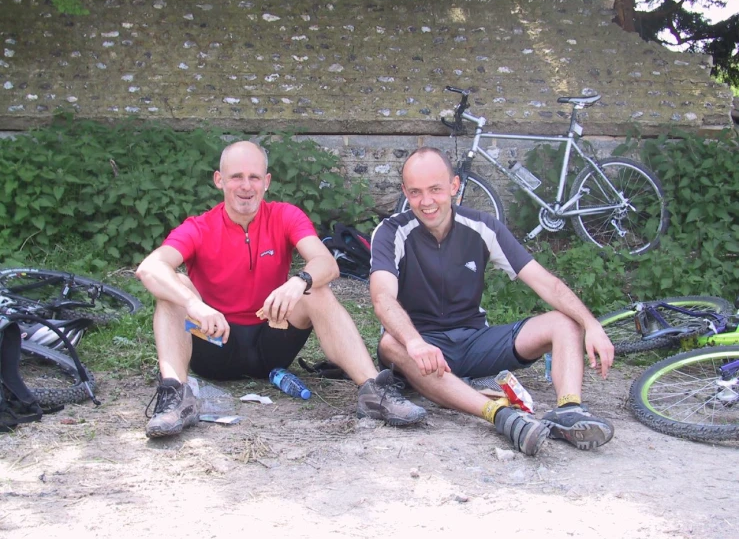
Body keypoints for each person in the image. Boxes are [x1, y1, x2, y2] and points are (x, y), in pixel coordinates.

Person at [136, 140, 426, 438]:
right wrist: (194, 304)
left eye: (254, 177)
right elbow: (150, 268)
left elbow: (327, 263)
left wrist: (298, 281)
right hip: (214, 342)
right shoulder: (199, 227)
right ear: (219, 180)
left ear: (267, 182)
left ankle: (374, 392)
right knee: (175, 289)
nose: (246, 186)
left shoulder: (285, 215)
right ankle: (174, 398)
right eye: (236, 177)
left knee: (316, 288)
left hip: (271, 341)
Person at [369, 147, 615, 456]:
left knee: (565, 322)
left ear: (455, 187)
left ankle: (569, 411)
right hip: (420, 348)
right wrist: (416, 343)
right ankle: (499, 415)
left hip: (474, 341)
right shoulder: (392, 232)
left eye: (435, 189)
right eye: (416, 192)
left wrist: (590, 323)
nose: (426, 201)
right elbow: (382, 298)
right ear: (405, 192)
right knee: (391, 344)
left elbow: (545, 282)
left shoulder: (482, 227)